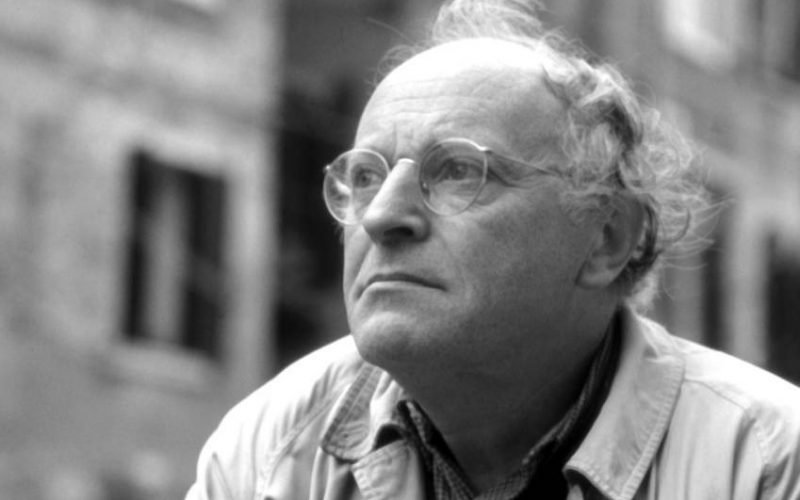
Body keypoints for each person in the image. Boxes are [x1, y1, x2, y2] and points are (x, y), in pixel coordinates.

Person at [186, 1, 800, 498]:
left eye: (457, 171)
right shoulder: (267, 453)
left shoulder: (767, 463)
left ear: (607, 237)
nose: (381, 216)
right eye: (365, 176)